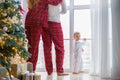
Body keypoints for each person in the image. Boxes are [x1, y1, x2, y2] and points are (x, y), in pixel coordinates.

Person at [25, 0, 63, 71]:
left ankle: (28, 68)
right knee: (34, 48)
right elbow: (55, 2)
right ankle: (31, 70)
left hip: (28, 21)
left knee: (29, 47)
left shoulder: (32, 1)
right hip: (37, 22)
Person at [42, 0, 68, 76]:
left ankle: (49, 71)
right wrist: (57, 13)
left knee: (47, 48)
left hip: (45, 24)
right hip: (55, 23)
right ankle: (59, 70)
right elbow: (64, 11)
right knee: (60, 48)